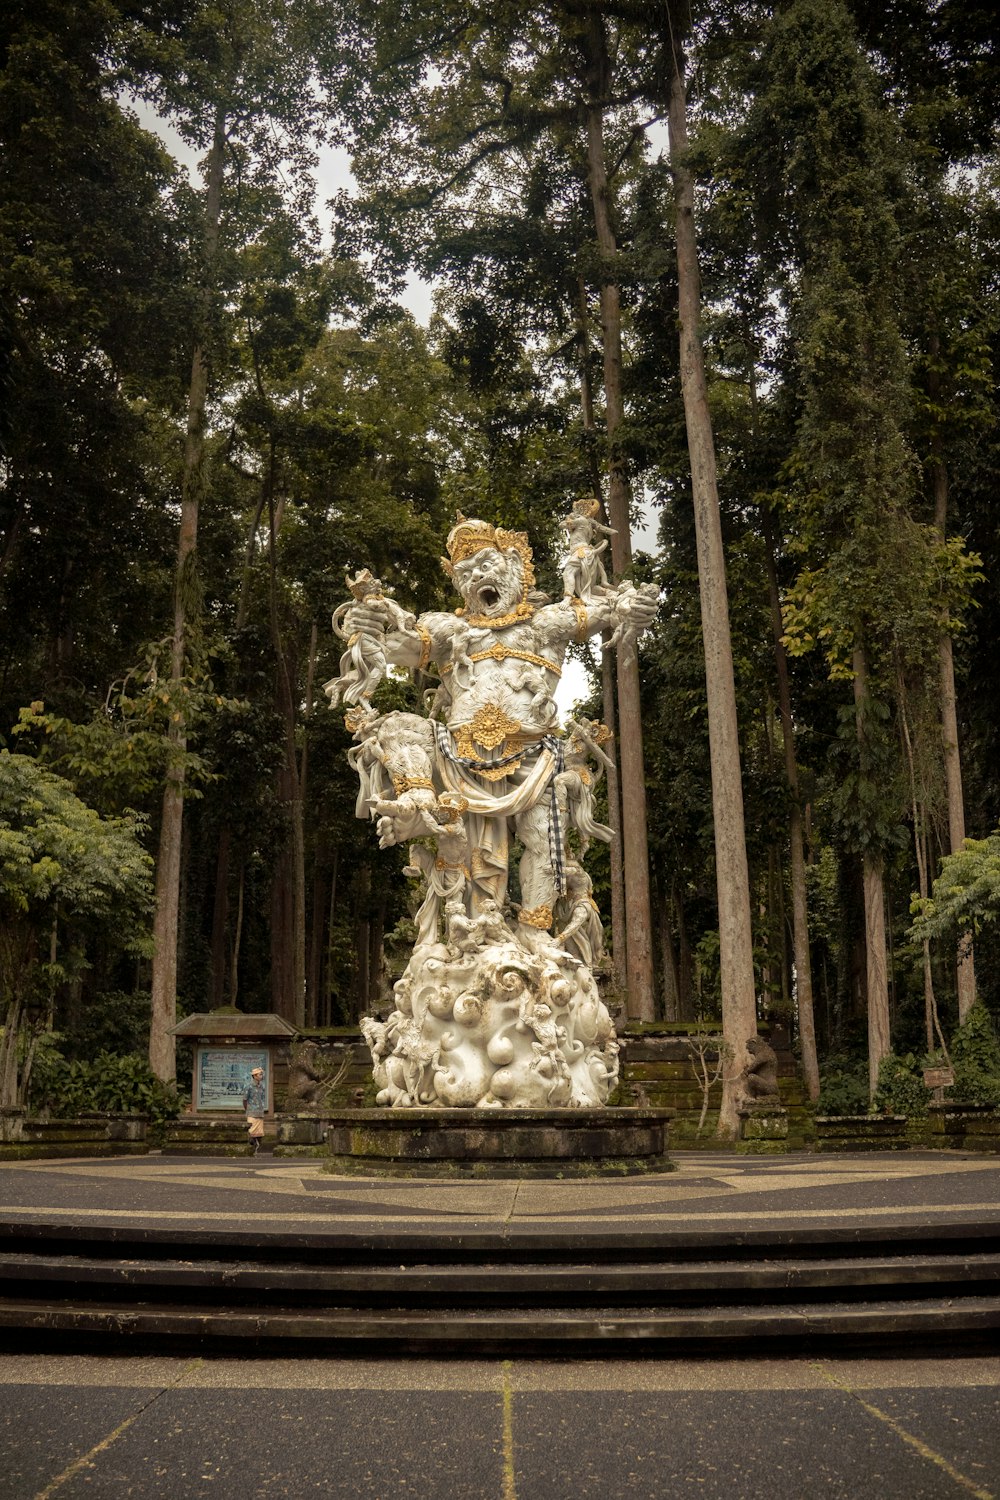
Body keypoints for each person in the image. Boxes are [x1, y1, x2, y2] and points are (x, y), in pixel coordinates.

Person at [243, 1066, 267, 1154]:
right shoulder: (248, 1086)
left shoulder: (262, 1086)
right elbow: (245, 1099)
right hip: (251, 1112)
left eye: (261, 1074)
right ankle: (250, 1150)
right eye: (260, 1074)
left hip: (260, 1112)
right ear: (255, 1076)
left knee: (259, 1134)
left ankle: (256, 1150)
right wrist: (247, 1110)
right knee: (251, 1132)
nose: (261, 1076)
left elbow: (262, 1098)